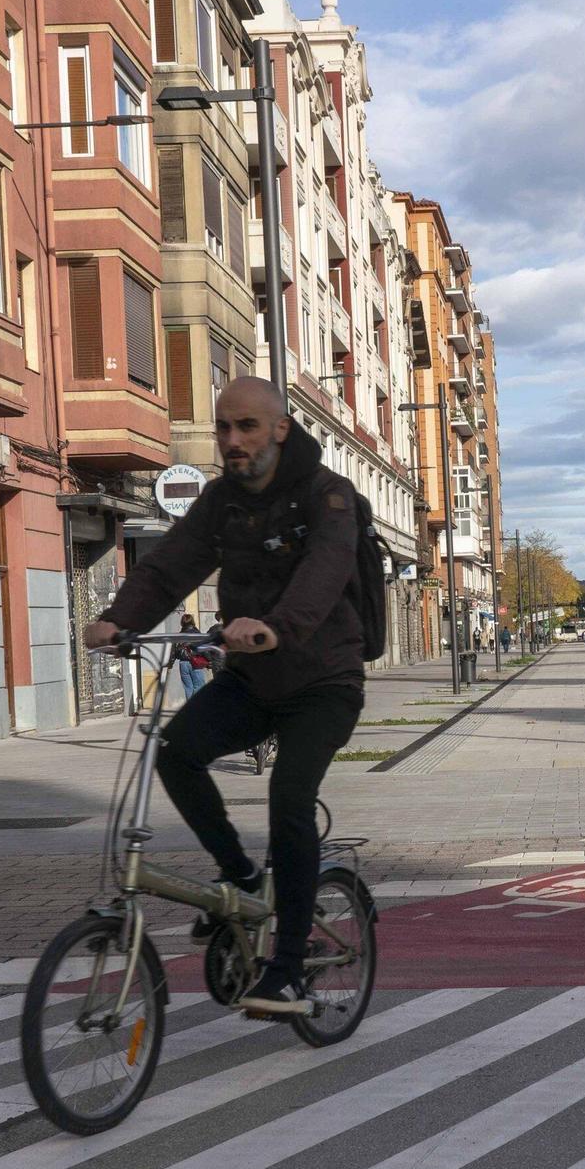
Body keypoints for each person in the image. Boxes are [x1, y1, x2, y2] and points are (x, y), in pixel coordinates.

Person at [83, 378, 365, 1017]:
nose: (232, 441)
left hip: (324, 683)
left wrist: (276, 627)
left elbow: (325, 571)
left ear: (279, 431)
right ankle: (239, 877)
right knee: (176, 751)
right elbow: (170, 566)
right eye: (223, 428)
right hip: (253, 679)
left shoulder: (328, 496)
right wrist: (118, 618)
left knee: (288, 798)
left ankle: (288, 969)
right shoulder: (220, 502)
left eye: (247, 427)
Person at [173, 612, 208, 698]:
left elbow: (173, 651)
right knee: (199, 687)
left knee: (188, 688)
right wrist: (209, 660)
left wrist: (170, 663)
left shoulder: (178, 635)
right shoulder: (197, 633)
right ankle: (196, 709)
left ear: (182, 622)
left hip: (183, 664)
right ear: (192, 622)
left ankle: (189, 709)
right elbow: (204, 648)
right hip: (195, 662)